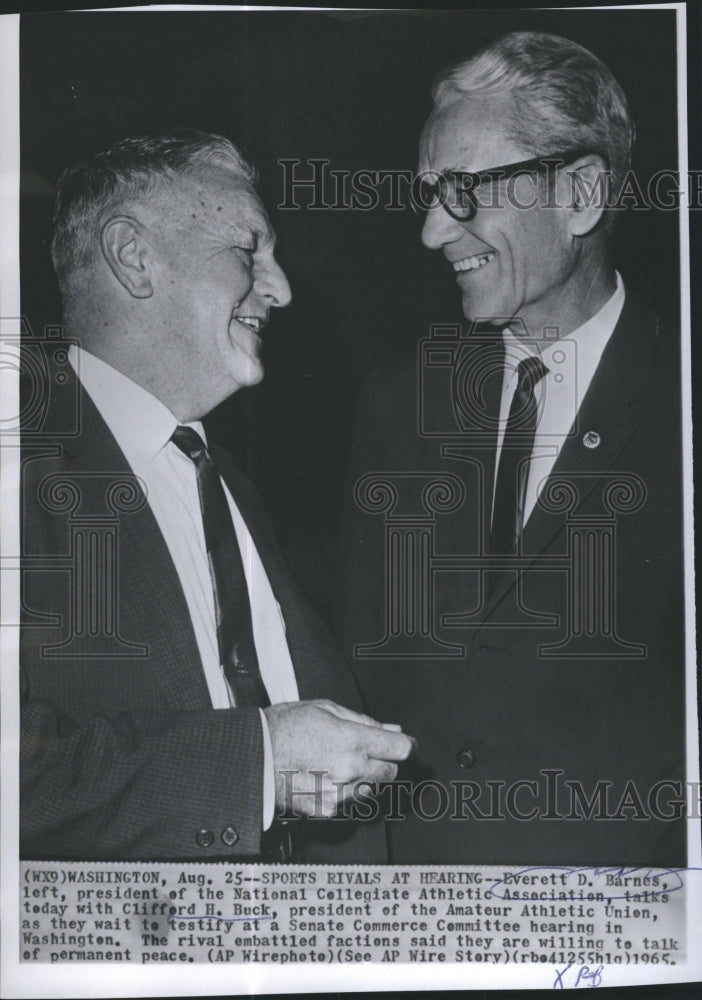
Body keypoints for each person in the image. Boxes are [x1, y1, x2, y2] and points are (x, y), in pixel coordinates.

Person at [338, 32, 686, 865]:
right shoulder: (397, 404)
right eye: (427, 193)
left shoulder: (681, 404)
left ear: (580, 193)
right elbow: (361, 679)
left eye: (463, 191)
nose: (431, 232)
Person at [20, 129, 412, 863]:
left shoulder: (226, 483)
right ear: (135, 257)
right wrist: (262, 759)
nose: (282, 287)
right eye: (248, 251)